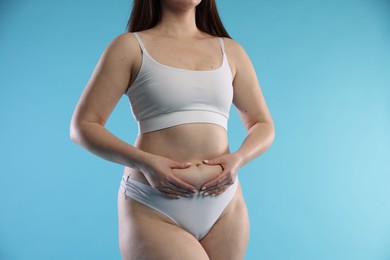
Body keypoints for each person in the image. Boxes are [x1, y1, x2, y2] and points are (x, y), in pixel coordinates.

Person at [70, 0, 275, 259]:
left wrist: (238, 159)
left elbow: (262, 124)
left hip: (225, 206)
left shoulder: (231, 51)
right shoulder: (131, 47)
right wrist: (146, 163)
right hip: (153, 206)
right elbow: (83, 126)